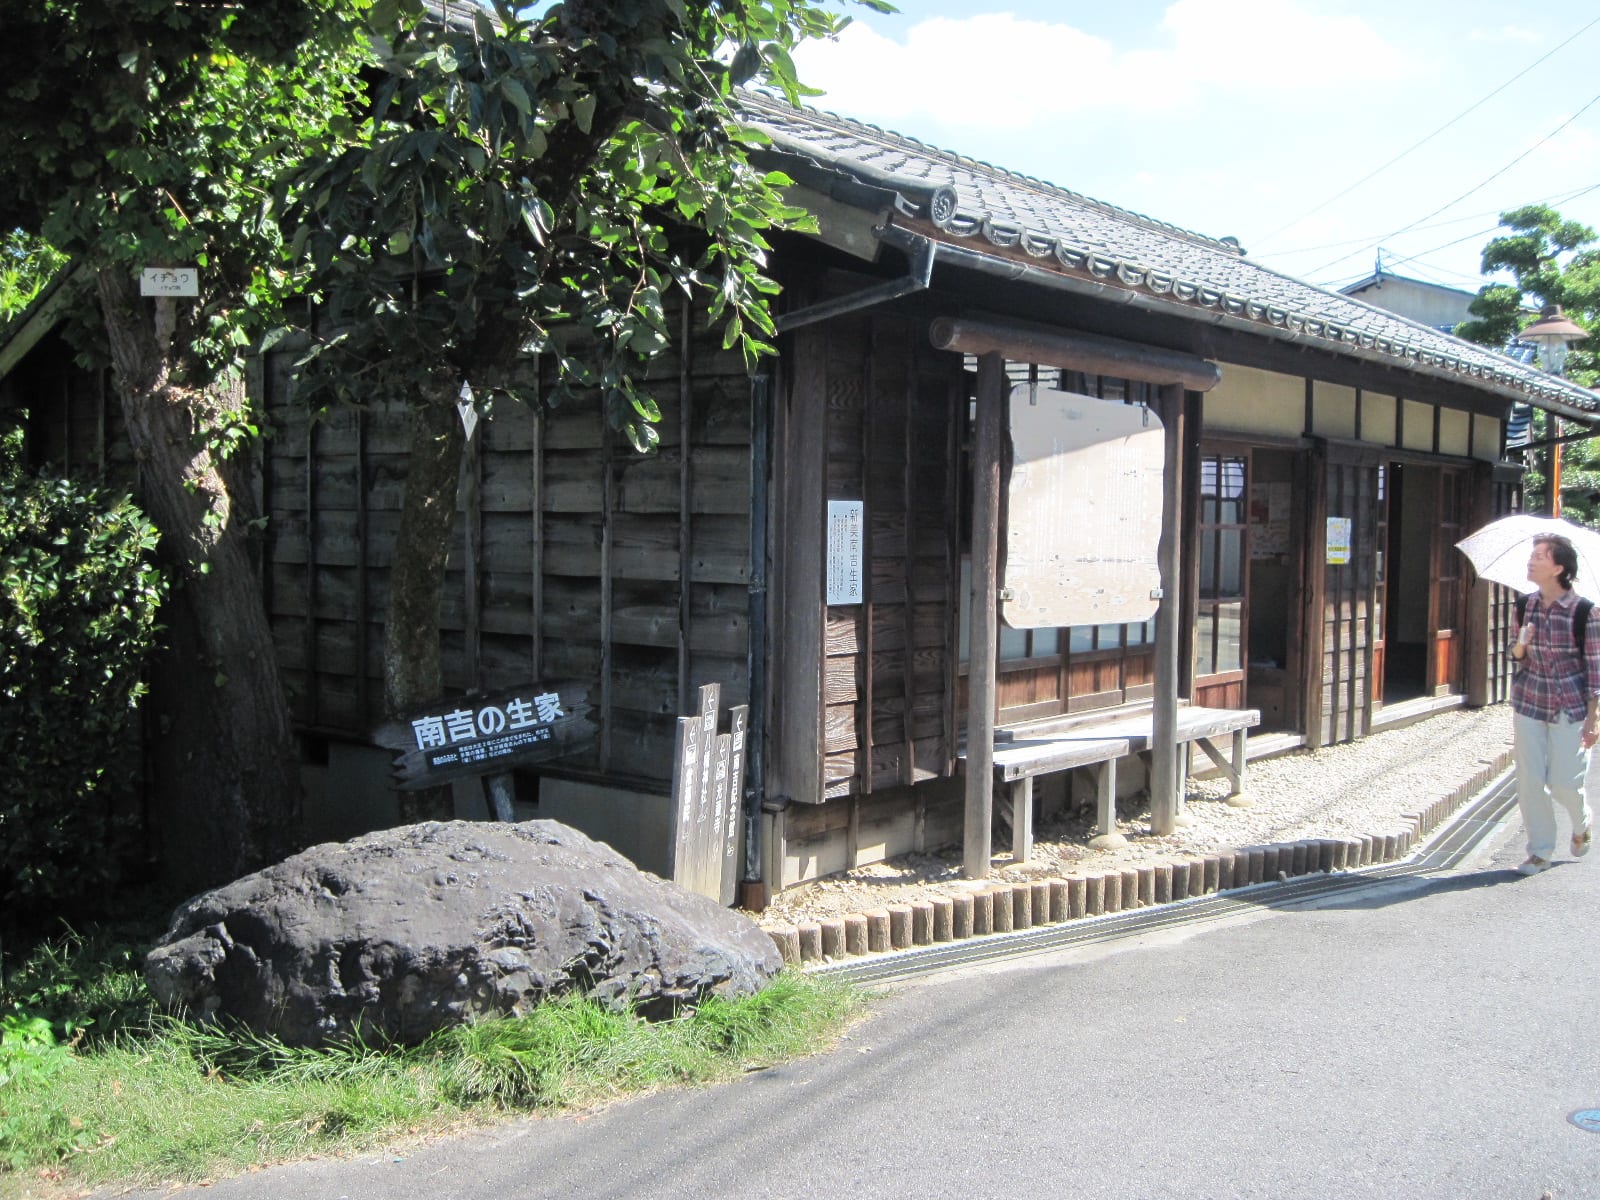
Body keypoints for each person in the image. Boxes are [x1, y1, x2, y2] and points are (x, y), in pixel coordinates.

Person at [1508, 533, 1599, 874]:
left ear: (1559, 568)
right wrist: (1521, 643)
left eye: (1540, 557)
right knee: (1529, 780)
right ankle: (1539, 851)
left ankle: (1582, 821)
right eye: (1532, 555)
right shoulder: (1524, 605)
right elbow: (1516, 656)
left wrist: (1594, 719)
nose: (1531, 561)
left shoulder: (1585, 613)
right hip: (1530, 701)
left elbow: (1595, 668)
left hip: (1570, 707)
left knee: (1564, 783)